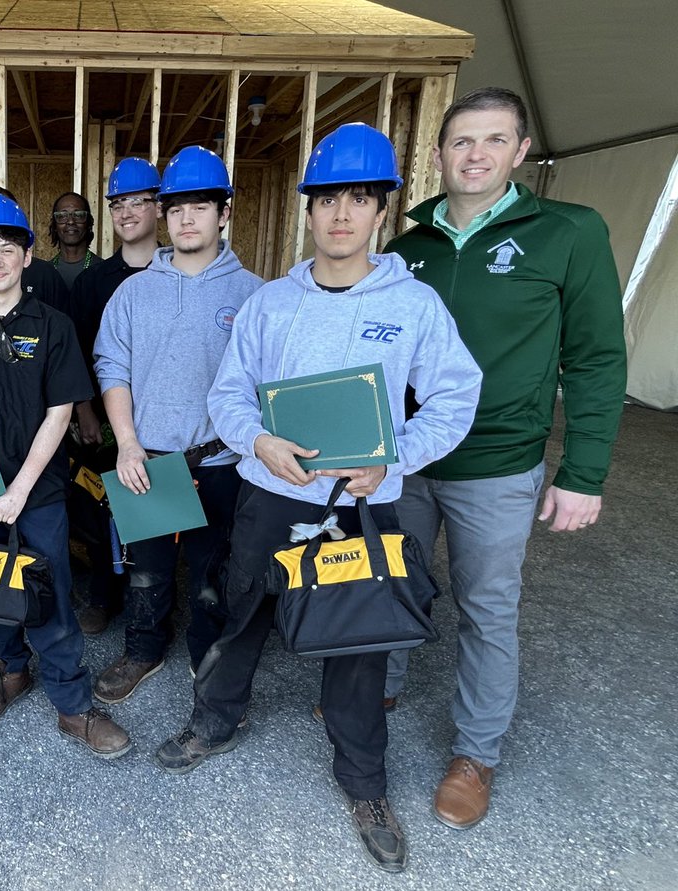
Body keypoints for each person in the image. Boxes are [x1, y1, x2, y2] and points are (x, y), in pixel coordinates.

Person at [156, 123, 482, 874]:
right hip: (271, 496)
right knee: (242, 615)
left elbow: (455, 397)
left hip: (363, 503)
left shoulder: (414, 306)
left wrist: (395, 456)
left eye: (359, 198)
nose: (341, 213)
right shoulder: (273, 304)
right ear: (308, 210)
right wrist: (257, 442)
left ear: (381, 212)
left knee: (360, 643)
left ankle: (364, 783)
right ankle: (214, 722)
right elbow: (230, 391)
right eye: (328, 198)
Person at [384, 87, 627, 830]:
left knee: (487, 606)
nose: (476, 155)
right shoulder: (406, 247)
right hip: (408, 455)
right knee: (393, 581)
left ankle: (475, 752)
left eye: (494, 140)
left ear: (522, 152)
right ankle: (379, 685)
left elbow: (596, 358)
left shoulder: (568, 233)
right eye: (462, 142)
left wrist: (583, 471)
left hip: (498, 461)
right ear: (438, 154)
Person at [0, 194, 132, 758]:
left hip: (36, 493)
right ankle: (10, 671)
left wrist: (19, 490)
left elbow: (61, 413)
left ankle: (72, 703)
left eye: (6, 248)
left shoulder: (53, 326)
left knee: (53, 593)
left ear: (27, 255)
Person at [91, 145, 262, 704]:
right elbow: (111, 366)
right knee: (147, 569)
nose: (187, 218)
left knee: (216, 571)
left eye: (201, 206)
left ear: (224, 213)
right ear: (163, 214)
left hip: (222, 460)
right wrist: (127, 444)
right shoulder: (134, 292)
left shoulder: (255, 294)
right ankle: (143, 649)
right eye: (177, 207)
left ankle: (206, 652)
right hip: (149, 458)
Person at [68, 158, 163, 634]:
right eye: (118, 203)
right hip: (103, 422)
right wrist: (84, 410)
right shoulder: (94, 281)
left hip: (162, 420)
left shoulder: (177, 273)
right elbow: (77, 354)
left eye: (138, 201)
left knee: (154, 516)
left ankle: (147, 604)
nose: (127, 212)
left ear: (158, 207)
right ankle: (102, 594)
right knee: (97, 506)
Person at [48, 191, 101, 289]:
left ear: (88, 223)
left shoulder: (104, 271)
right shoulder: (44, 273)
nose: (71, 221)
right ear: (55, 225)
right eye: (62, 216)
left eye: (79, 215)